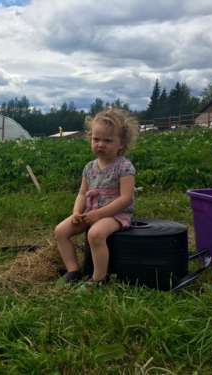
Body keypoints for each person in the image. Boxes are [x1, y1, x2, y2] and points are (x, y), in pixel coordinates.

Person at [54, 108, 138, 284]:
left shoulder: (124, 167)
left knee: (95, 234)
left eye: (107, 140)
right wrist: (77, 211)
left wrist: (99, 214)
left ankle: (98, 279)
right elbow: (82, 193)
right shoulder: (89, 167)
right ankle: (73, 271)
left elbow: (125, 198)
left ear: (121, 144)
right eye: (96, 139)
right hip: (90, 211)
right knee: (61, 231)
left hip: (116, 214)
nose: (100, 144)